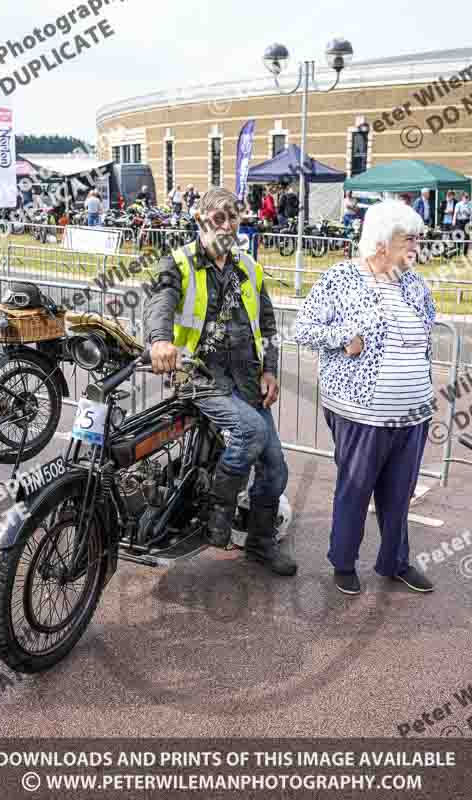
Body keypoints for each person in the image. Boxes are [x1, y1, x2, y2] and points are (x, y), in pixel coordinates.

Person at [143, 187, 296, 576]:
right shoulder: (178, 263)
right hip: (199, 376)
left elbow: (268, 326)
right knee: (248, 431)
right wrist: (160, 340)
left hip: (247, 378)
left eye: (234, 217)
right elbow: (159, 303)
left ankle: (260, 545)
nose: (227, 225)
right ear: (200, 219)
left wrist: (270, 370)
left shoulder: (249, 267)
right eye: (218, 218)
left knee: (276, 470)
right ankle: (217, 514)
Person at [294, 199, 436, 595]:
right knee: (356, 488)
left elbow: (425, 335)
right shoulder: (342, 277)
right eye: (409, 239)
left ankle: (395, 562)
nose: (417, 247)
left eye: (418, 239)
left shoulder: (415, 284)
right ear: (380, 243)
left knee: (400, 492)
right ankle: (343, 562)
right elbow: (302, 328)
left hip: (412, 413)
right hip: (360, 412)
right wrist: (343, 339)